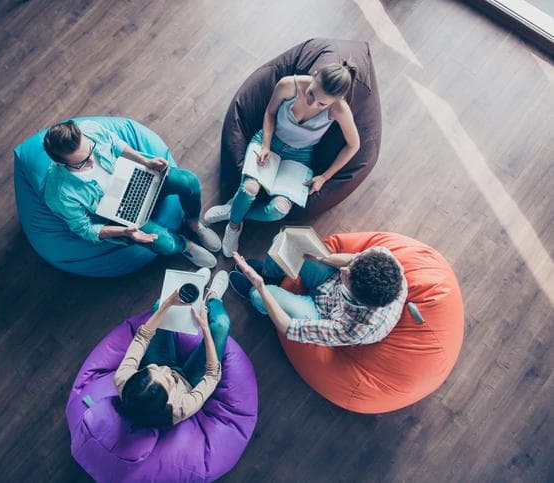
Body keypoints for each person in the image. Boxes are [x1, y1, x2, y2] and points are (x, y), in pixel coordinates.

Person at [205, 62, 361, 257]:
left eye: (322, 104)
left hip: (300, 155)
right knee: (249, 188)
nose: (313, 103)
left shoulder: (340, 110)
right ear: (314, 74)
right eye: (311, 93)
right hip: (269, 140)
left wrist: (324, 177)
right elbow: (270, 113)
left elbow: (354, 145)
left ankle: (234, 210)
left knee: (279, 210)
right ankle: (234, 226)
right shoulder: (288, 85)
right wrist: (266, 146)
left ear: (337, 100)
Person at [43, 119, 221, 268]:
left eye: (90, 149)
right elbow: (86, 229)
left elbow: (115, 143)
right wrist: (125, 231)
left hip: (134, 177)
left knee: (189, 181)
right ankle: (185, 245)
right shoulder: (59, 194)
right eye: (81, 163)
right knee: (164, 244)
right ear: (61, 163)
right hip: (118, 214)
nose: (91, 160)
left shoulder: (90, 129)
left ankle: (193, 224)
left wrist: (146, 161)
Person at [114, 269, 231, 428]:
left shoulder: (123, 379)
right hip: (189, 380)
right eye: (168, 379)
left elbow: (142, 337)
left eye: (152, 369)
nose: (166, 370)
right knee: (221, 325)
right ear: (167, 401)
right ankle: (213, 298)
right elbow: (212, 375)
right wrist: (205, 327)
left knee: (158, 305)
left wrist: (168, 303)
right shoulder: (179, 409)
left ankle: (191, 292)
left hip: (160, 358)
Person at [229, 244, 407, 346]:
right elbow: (352, 260)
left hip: (322, 314)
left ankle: (253, 292)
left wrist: (259, 286)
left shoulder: (354, 329)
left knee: (263, 295)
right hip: (330, 282)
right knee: (286, 245)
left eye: (348, 276)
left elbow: (288, 327)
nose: (344, 269)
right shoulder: (385, 260)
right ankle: (270, 272)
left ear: (356, 296)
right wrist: (322, 258)